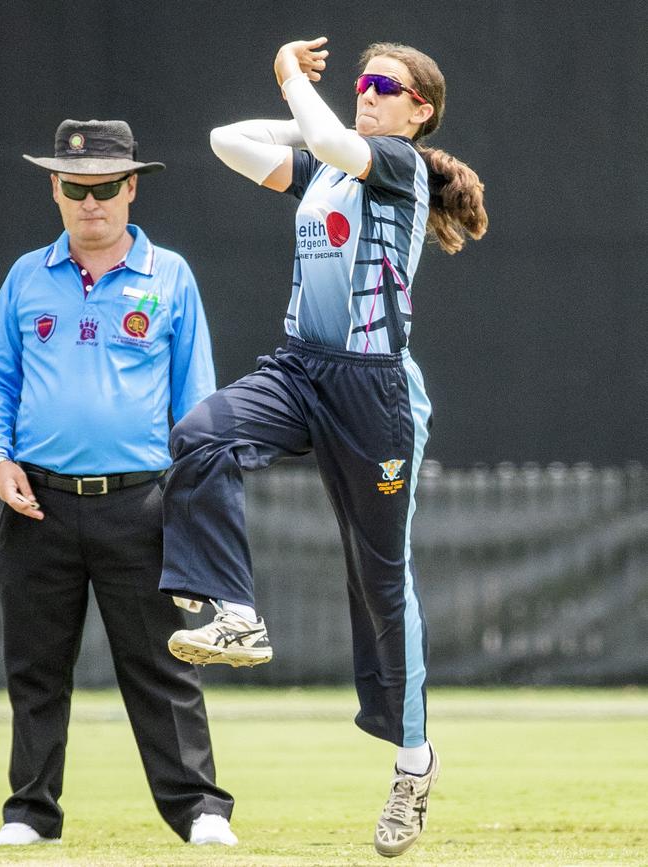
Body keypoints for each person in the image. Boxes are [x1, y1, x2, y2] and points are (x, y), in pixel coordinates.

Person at [160, 37, 488, 858]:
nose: (368, 93)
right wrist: (304, 115)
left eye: (386, 86)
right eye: (362, 82)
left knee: (381, 581)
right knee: (200, 436)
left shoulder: (397, 167)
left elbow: (344, 140)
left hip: (373, 390)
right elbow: (229, 142)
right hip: (302, 368)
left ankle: (414, 762)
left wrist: (288, 80)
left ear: (421, 112)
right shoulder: (332, 168)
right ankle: (234, 611)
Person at [0, 119, 237, 848]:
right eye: (77, 187)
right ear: (55, 188)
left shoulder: (170, 277)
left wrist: (195, 509)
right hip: (36, 499)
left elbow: (197, 404)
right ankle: (30, 811)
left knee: (162, 666)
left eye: (105, 187)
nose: (90, 201)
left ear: (131, 187)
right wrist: (0, 458)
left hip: (141, 499)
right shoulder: (25, 277)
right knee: (35, 668)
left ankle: (199, 808)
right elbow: (3, 383)